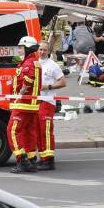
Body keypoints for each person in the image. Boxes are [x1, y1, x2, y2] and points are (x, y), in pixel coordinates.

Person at [7, 36, 41, 173]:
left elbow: (28, 79)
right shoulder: (31, 61)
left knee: (13, 131)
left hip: (23, 104)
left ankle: (22, 160)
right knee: (28, 132)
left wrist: (21, 93)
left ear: (28, 48)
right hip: (30, 104)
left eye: (21, 48)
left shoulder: (29, 63)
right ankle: (31, 160)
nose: (19, 50)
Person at [37, 40, 66, 170]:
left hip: (48, 101)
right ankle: (43, 158)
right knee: (38, 131)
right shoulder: (36, 63)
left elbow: (63, 82)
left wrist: (48, 86)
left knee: (46, 130)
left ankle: (49, 160)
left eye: (44, 50)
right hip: (37, 102)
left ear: (48, 51)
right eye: (40, 49)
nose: (42, 52)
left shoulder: (52, 65)